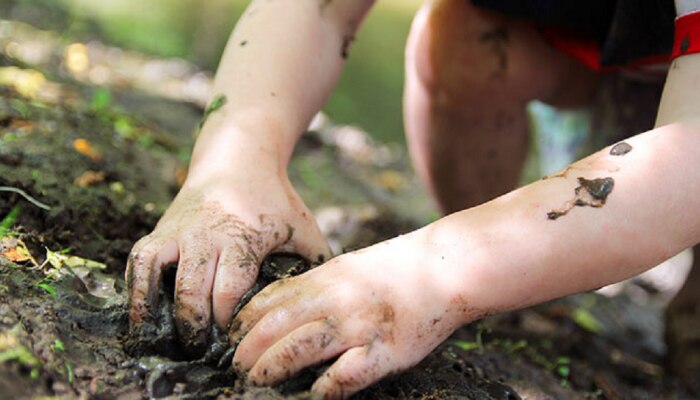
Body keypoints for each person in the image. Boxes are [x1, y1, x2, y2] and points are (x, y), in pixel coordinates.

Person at [126, 0, 700, 398]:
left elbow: (689, 155)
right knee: (466, 40)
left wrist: (432, 271)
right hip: (606, 56)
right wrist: (235, 166)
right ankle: (527, 283)